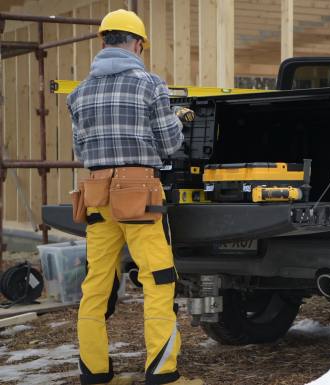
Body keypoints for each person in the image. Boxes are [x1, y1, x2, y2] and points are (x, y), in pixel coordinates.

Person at [67, 9, 200, 385]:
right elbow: (170, 143)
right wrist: (178, 118)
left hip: (96, 196)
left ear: (102, 41)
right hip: (138, 196)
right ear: (138, 44)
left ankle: (94, 374)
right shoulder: (150, 85)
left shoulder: (79, 93)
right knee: (158, 279)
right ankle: (162, 375)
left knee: (96, 285)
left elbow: (81, 148)